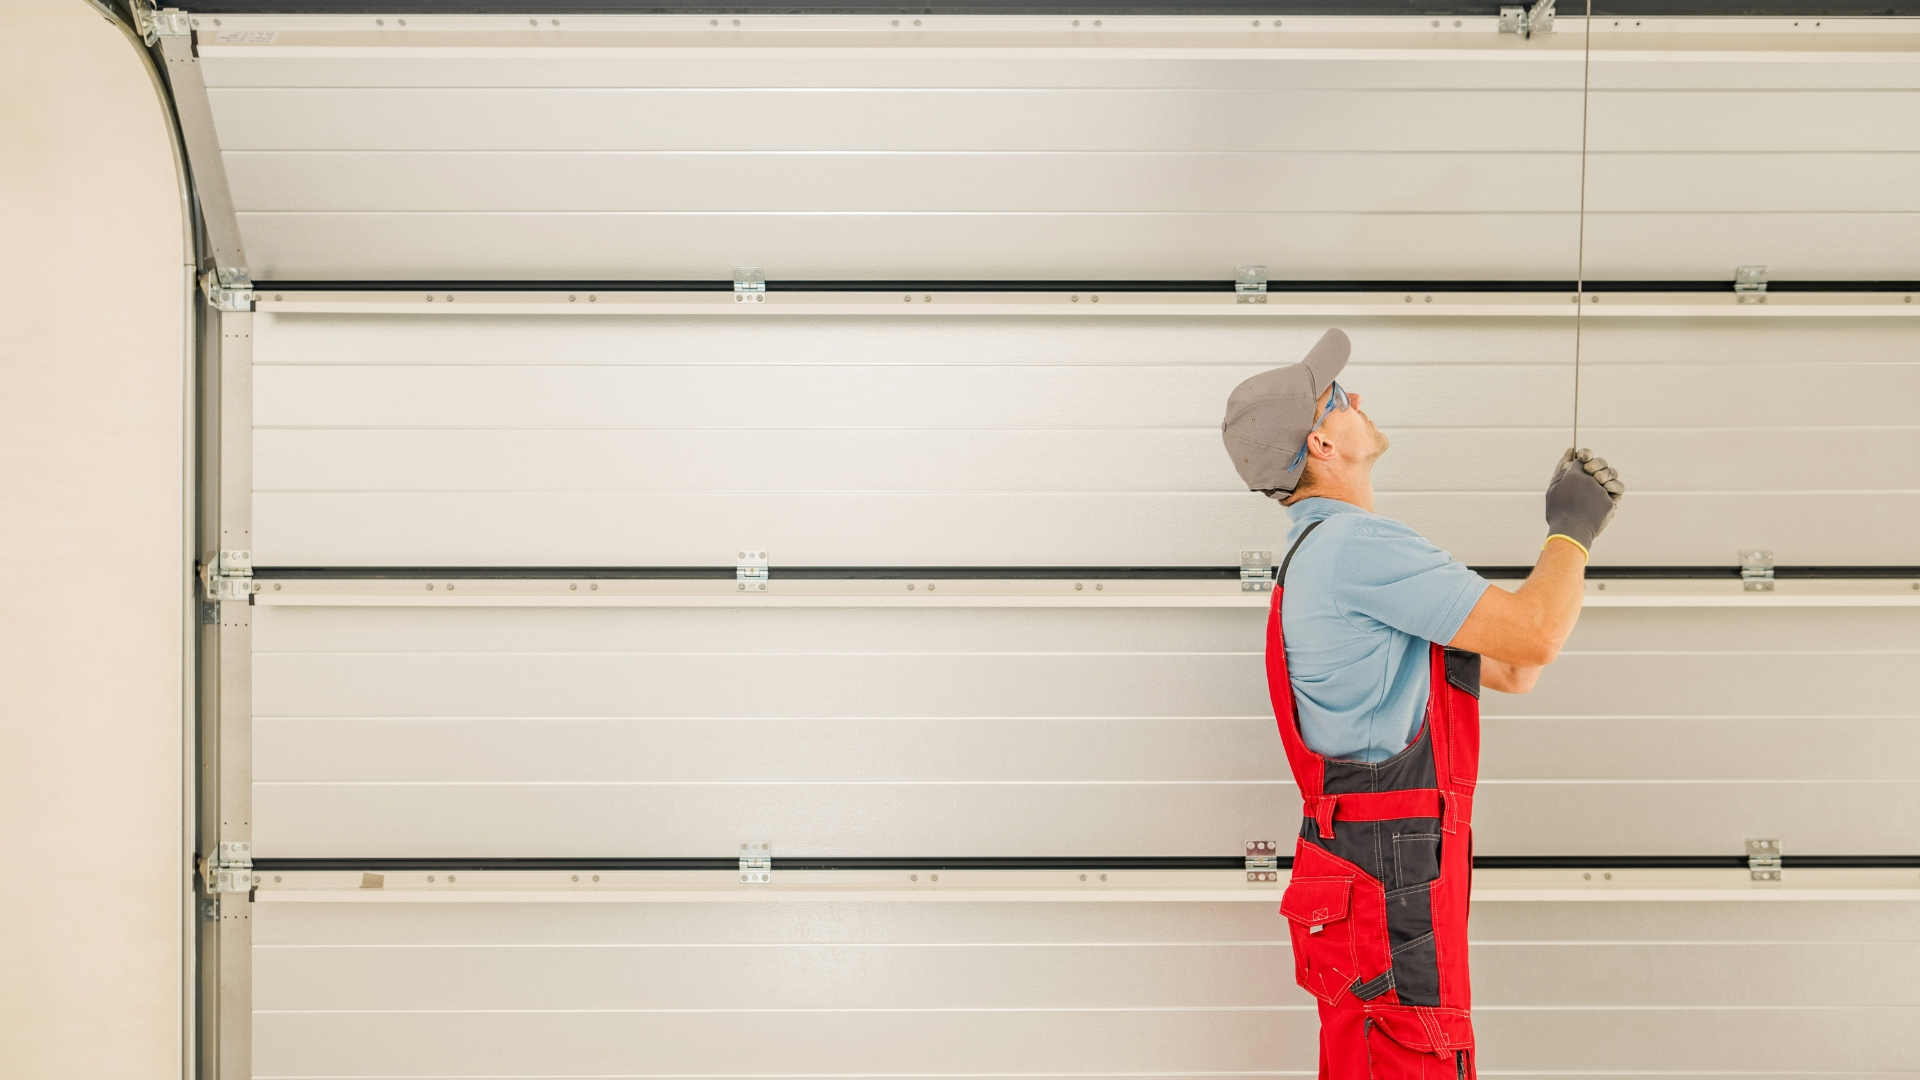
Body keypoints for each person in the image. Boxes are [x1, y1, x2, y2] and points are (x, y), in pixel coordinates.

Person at [1220, 328, 1624, 1079]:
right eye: (1339, 397)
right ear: (1321, 441)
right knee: (1414, 1057)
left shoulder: (1321, 556)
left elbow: (1508, 668)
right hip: (1390, 866)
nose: (1358, 399)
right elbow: (1534, 638)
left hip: (1365, 864)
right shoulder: (1356, 548)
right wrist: (1573, 531)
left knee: (1380, 1056)